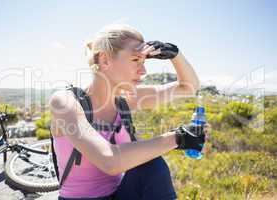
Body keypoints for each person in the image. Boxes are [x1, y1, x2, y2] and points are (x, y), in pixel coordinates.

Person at [49, 24, 210, 200]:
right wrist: (178, 138)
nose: (144, 70)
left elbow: (188, 87)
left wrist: (174, 54)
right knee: (152, 162)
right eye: (135, 60)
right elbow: (108, 160)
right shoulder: (65, 101)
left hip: (120, 194)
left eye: (144, 61)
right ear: (105, 60)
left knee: (151, 165)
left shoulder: (126, 99)